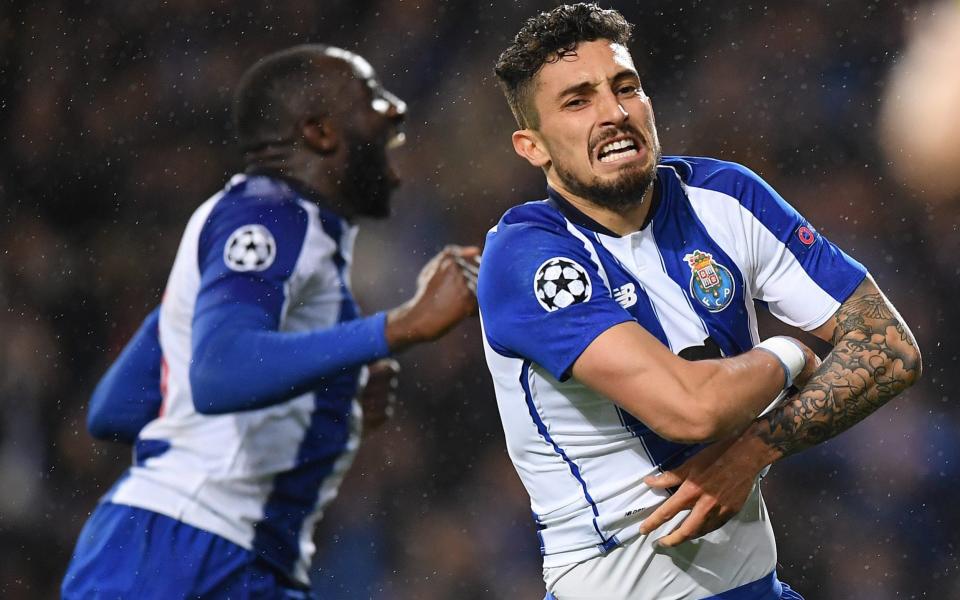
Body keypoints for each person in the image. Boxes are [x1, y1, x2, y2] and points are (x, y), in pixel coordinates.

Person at [478, 4, 922, 599]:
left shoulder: (724, 197)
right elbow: (691, 411)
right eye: (578, 101)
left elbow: (891, 349)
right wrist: (791, 351)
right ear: (532, 147)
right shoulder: (527, 258)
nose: (614, 113)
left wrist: (756, 451)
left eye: (626, 87)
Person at [61, 44, 479, 598]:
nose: (395, 109)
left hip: (206, 556)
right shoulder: (273, 213)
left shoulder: (270, 235)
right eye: (371, 96)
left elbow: (118, 407)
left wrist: (319, 400)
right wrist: (396, 326)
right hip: (183, 555)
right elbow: (216, 374)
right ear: (320, 132)